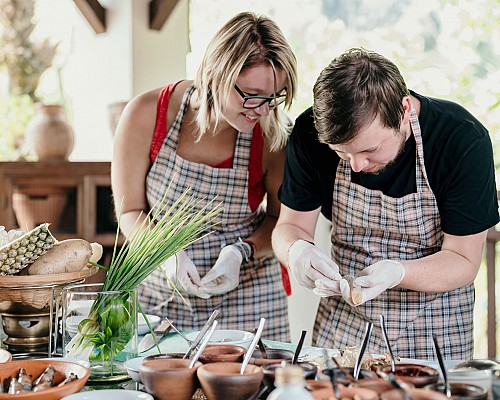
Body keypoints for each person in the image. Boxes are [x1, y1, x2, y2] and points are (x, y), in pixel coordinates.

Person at [272, 47, 499, 359]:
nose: (356, 165)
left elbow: (463, 259)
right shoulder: (309, 134)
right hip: (344, 324)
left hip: (435, 326)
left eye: (370, 150)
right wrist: (295, 251)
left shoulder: (461, 141)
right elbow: (291, 225)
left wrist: (397, 272)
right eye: (342, 152)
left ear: (404, 110)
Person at [112, 12, 297, 341]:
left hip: (249, 298)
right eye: (252, 94)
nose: (263, 110)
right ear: (216, 74)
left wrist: (240, 253)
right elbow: (130, 211)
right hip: (162, 297)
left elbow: (281, 221)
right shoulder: (147, 114)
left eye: (274, 96)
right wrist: (164, 254)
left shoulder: (271, 134)